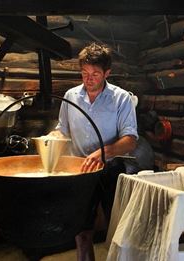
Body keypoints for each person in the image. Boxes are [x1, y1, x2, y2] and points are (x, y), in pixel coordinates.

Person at [48, 42, 138, 261]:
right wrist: (53, 138)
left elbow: (130, 140)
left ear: (107, 73)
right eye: (84, 73)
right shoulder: (71, 96)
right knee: (81, 224)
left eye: (95, 74)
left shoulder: (121, 98)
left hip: (111, 168)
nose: (89, 79)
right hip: (80, 169)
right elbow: (63, 130)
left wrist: (104, 152)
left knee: (116, 223)